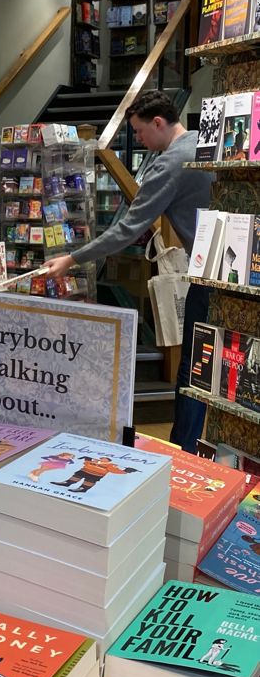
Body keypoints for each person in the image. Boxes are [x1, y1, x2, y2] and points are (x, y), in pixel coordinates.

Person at [42, 90, 212, 454]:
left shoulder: (169, 165)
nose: (138, 140)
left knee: (194, 368)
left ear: (158, 123)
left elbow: (127, 229)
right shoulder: (203, 142)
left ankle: (183, 452)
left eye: (139, 132)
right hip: (232, 269)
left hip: (210, 274)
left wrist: (71, 259)